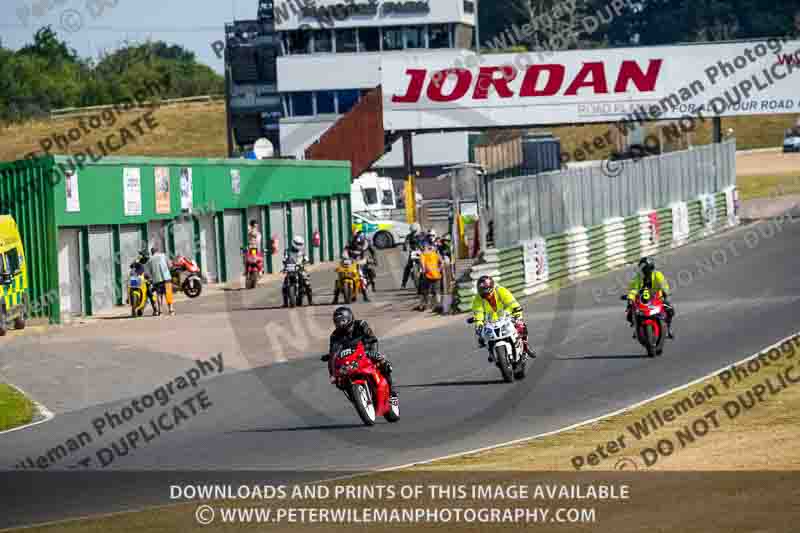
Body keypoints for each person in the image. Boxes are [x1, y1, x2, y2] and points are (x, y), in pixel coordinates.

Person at [321, 307, 397, 401]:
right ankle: (355, 396)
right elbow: (333, 351)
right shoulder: (334, 335)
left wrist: (373, 352)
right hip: (349, 358)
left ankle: (392, 394)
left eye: (342, 321)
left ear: (349, 318)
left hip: (366, 351)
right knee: (339, 380)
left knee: (384, 365)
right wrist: (331, 367)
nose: (340, 324)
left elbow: (372, 339)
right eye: (337, 322)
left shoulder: (361, 324)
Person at [471, 275, 535, 362]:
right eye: (483, 292)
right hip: (490, 322)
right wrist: (479, 323)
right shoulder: (477, 299)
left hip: (507, 316)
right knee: (480, 336)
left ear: (491, 287)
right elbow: (478, 312)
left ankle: (526, 347)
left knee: (521, 326)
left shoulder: (501, 290)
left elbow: (511, 301)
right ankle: (491, 352)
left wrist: (516, 311)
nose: (486, 295)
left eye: (487, 292)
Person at [626, 257, 675, 338]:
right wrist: (630, 298)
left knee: (670, 310)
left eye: (643, 268)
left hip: (657, 298)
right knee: (629, 313)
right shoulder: (638, 278)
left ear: (649, 267)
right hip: (642, 300)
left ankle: (668, 329)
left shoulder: (657, 274)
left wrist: (665, 292)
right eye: (641, 268)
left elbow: (663, 284)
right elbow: (634, 289)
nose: (642, 270)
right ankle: (637, 328)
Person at [282, 235, 312, 307]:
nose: (298, 245)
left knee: (307, 282)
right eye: (297, 243)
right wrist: (285, 264)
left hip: (300, 269)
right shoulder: (287, 251)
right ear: (293, 242)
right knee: (284, 285)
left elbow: (306, 259)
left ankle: (310, 300)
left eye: (300, 244)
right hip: (291, 269)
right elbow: (285, 259)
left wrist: (304, 262)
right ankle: (285, 302)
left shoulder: (302, 251)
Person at [147, 245, 174, 316]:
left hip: (157, 280)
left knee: (159, 295)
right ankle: (171, 310)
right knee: (168, 294)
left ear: (152, 252)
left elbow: (149, 272)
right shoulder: (163, 256)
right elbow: (170, 265)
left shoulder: (150, 260)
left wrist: (151, 279)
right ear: (157, 251)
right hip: (166, 278)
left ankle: (160, 311)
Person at [417, 242, 443, 312]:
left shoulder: (423, 255)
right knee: (437, 291)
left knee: (425, 291)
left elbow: (422, 266)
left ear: (422, 247)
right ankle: (438, 305)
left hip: (428, 275)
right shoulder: (434, 253)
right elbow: (441, 262)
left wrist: (423, 272)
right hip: (437, 275)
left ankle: (426, 306)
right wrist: (439, 269)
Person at [131, 250, 157, 316]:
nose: (143, 257)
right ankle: (131, 302)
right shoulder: (138, 261)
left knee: (150, 293)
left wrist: (151, 279)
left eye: (143, 255)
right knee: (131, 289)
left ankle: (155, 309)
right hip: (138, 279)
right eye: (141, 255)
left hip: (147, 280)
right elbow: (131, 266)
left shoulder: (150, 261)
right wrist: (136, 261)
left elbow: (153, 271)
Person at [401, 223, 423, 289]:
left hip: (422, 253)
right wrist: (405, 246)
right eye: (412, 231)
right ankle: (403, 283)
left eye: (415, 231)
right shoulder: (409, 236)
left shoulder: (423, 235)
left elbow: (428, 241)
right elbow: (406, 242)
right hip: (413, 253)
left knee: (426, 265)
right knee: (407, 267)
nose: (413, 232)